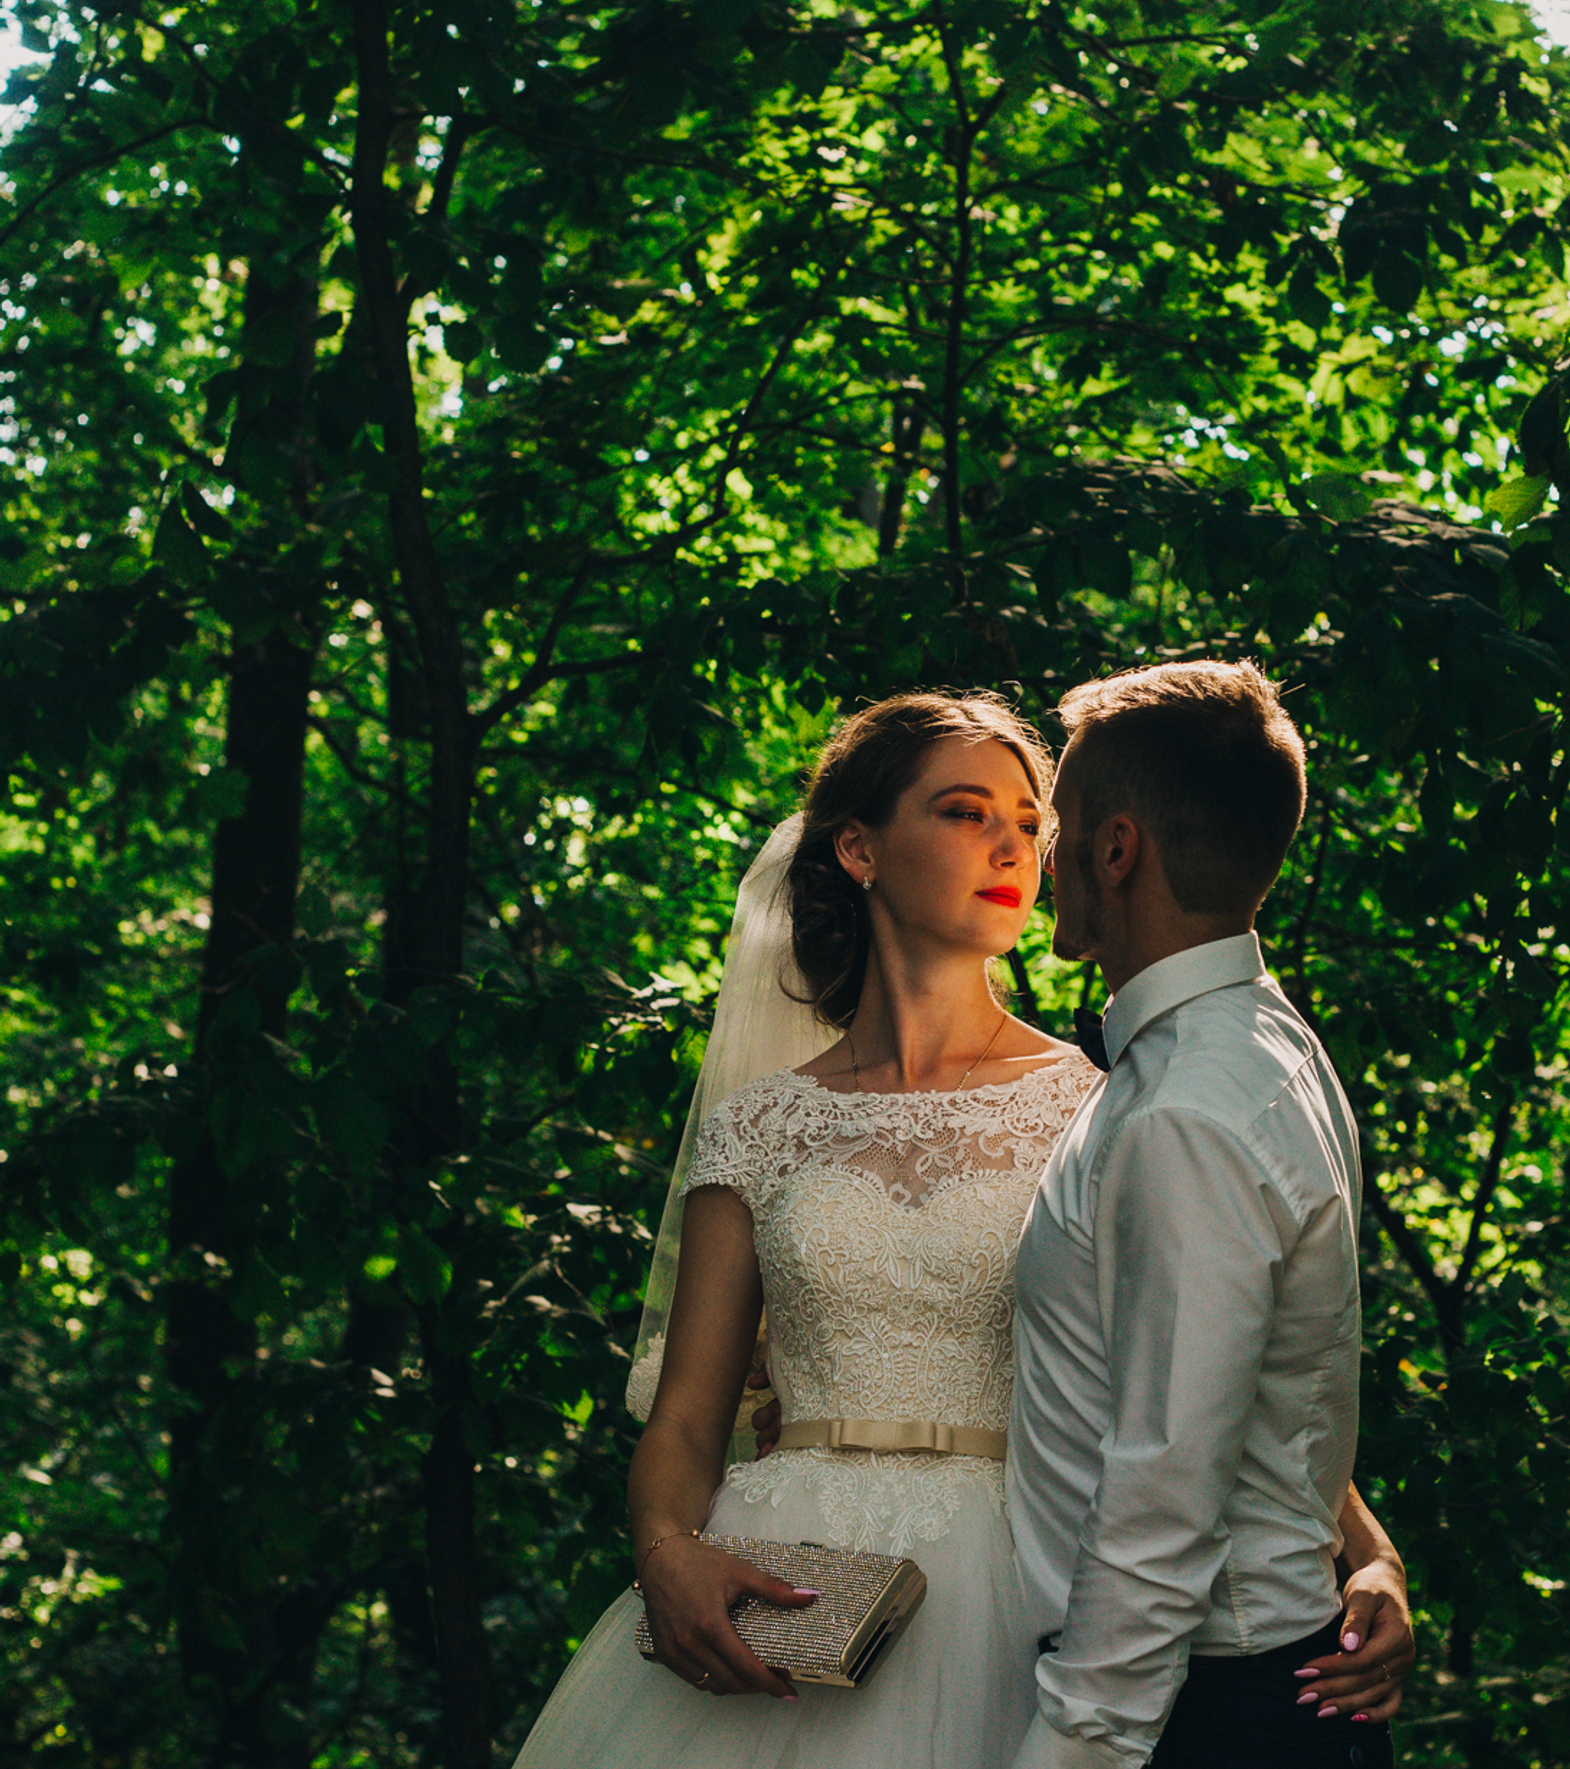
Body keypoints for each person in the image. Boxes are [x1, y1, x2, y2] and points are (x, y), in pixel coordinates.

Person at [510, 688, 1406, 1769]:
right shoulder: (761, 1123)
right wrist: (667, 1552)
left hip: (1006, 1589)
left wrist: (1363, 1549)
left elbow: (1201, 1364)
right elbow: (690, 1421)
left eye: (1033, 821)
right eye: (965, 812)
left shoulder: (1108, 1105)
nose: (1014, 843)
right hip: (786, 1572)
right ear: (859, 849)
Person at [1007, 660, 1411, 1769]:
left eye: (1063, 826)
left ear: (1117, 848)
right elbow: (1273, 1397)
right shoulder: (1264, 1043)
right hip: (1243, 1682)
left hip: (1204, 1711)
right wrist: (1372, 1549)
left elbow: (1165, 1492)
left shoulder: (1182, 1111)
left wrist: (1069, 1751)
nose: (1043, 860)